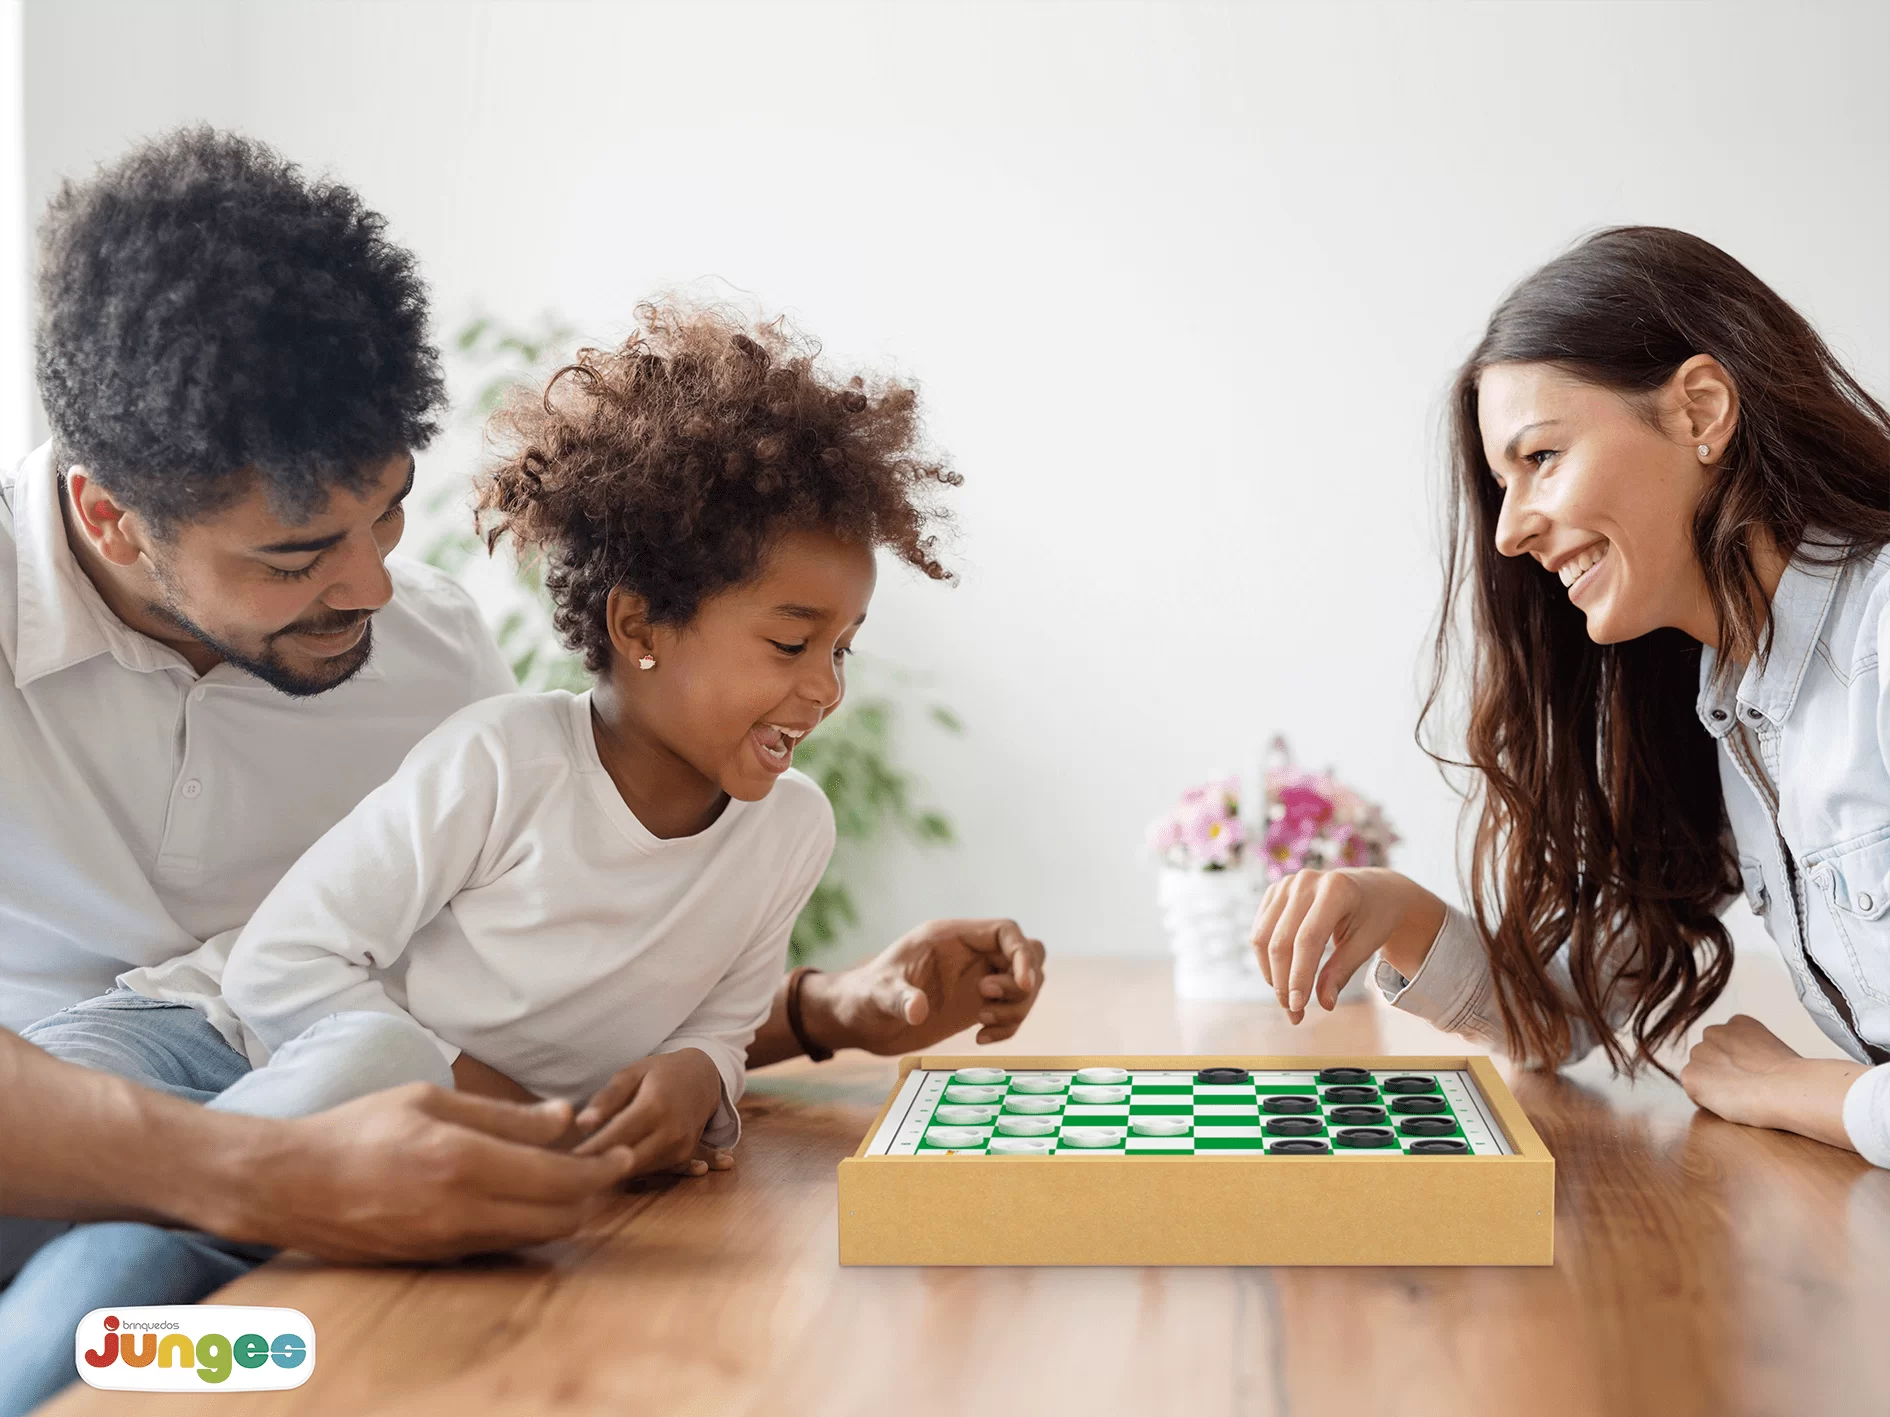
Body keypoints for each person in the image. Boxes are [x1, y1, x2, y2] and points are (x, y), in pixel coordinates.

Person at [0, 123, 1042, 1343]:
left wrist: (820, 1010)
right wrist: (292, 1161)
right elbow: (399, 1042)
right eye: (297, 556)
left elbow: (537, 980)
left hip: (308, 1183)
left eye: (386, 516)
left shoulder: (433, 655)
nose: (375, 590)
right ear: (112, 519)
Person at [1250, 226, 1890, 1167]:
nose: (1509, 532)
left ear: (1700, 410)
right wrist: (1398, 913)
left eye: (1541, 456)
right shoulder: (1726, 697)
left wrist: (1804, 1090)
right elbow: (1577, 1007)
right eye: (1502, 483)